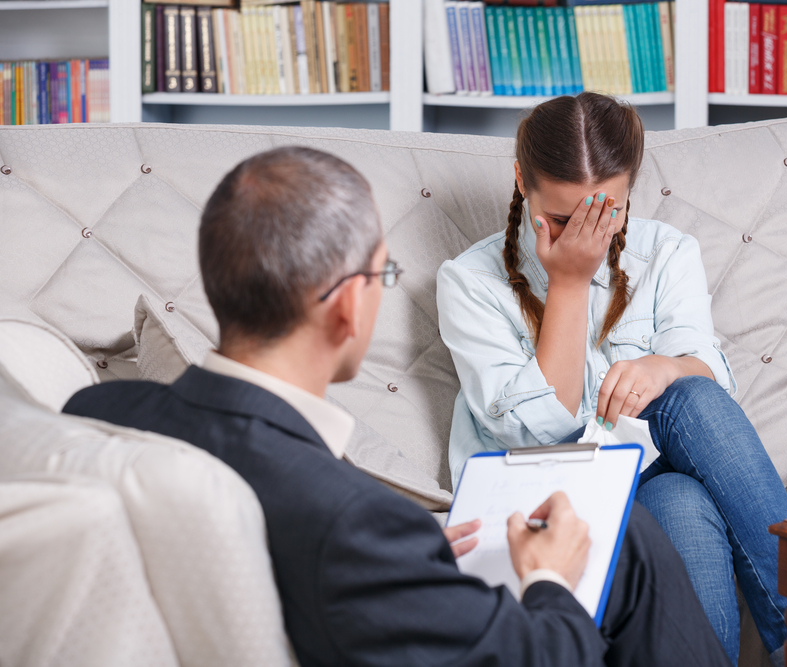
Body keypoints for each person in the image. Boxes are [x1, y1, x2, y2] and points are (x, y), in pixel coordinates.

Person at [63, 146, 732, 667]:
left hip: (347, 596)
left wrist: (402, 563)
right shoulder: (354, 522)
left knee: (636, 536)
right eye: (381, 274)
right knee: (630, 540)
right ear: (349, 303)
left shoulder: (101, 410)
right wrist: (548, 577)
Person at [437, 93, 787, 667]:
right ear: (522, 179)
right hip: (543, 498)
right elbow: (534, 435)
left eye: (608, 212)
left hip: (651, 477)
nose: (588, 236)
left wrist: (664, 366)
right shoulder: (470, 282)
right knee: (680, 446)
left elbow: (710, 380)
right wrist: (568, 283)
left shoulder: (664, 251)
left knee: (684, 479)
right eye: (568, 220)